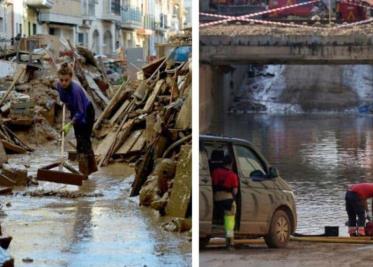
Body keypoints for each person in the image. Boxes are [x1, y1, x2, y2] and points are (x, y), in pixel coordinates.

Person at [56, 63, 97, 176]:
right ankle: (90, 169)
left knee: (83, 141)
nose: (64, 83)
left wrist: (70, 124)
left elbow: (81, 111)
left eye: (66, 80)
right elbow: (63, 98)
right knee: (80, 140)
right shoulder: (58, 85)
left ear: (71, 78)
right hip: (76, 112)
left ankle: (84, 173)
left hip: (86, 112)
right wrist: (63, 101)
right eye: (61, 80)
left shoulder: (76, 90)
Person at [211, 154, 239, 249]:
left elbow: (214, 184)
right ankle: (230, 243)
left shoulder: (215, 172)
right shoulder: (232, 175)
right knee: (230, 223)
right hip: (227, 200)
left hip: (216, 199)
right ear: (231, 164)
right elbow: (235, 191)